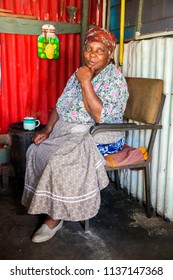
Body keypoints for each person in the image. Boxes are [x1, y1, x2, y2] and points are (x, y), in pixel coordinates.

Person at [21, 27, 129, 243]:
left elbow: (99, 116)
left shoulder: (115, 80)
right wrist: (48, 129)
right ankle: (49, 203)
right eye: (89, 49)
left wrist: (86, 82)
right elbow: (61, 105)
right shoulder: (78, 73)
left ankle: (55, 217)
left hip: (102, 134)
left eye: (99, 51)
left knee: (60, 160)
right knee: (36, 150)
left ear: (110, 54)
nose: (92, 54)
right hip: (70, 129)